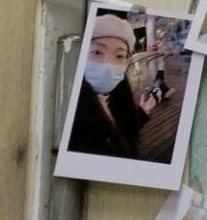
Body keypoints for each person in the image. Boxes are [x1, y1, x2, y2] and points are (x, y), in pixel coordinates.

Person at [67, 11, 158, 159]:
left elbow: (118, 133)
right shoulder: (69, 111)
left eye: (120, 56)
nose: (108, 65)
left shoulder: (117, 98)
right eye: (97, 52)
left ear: (126, 62)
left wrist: (141, 113)